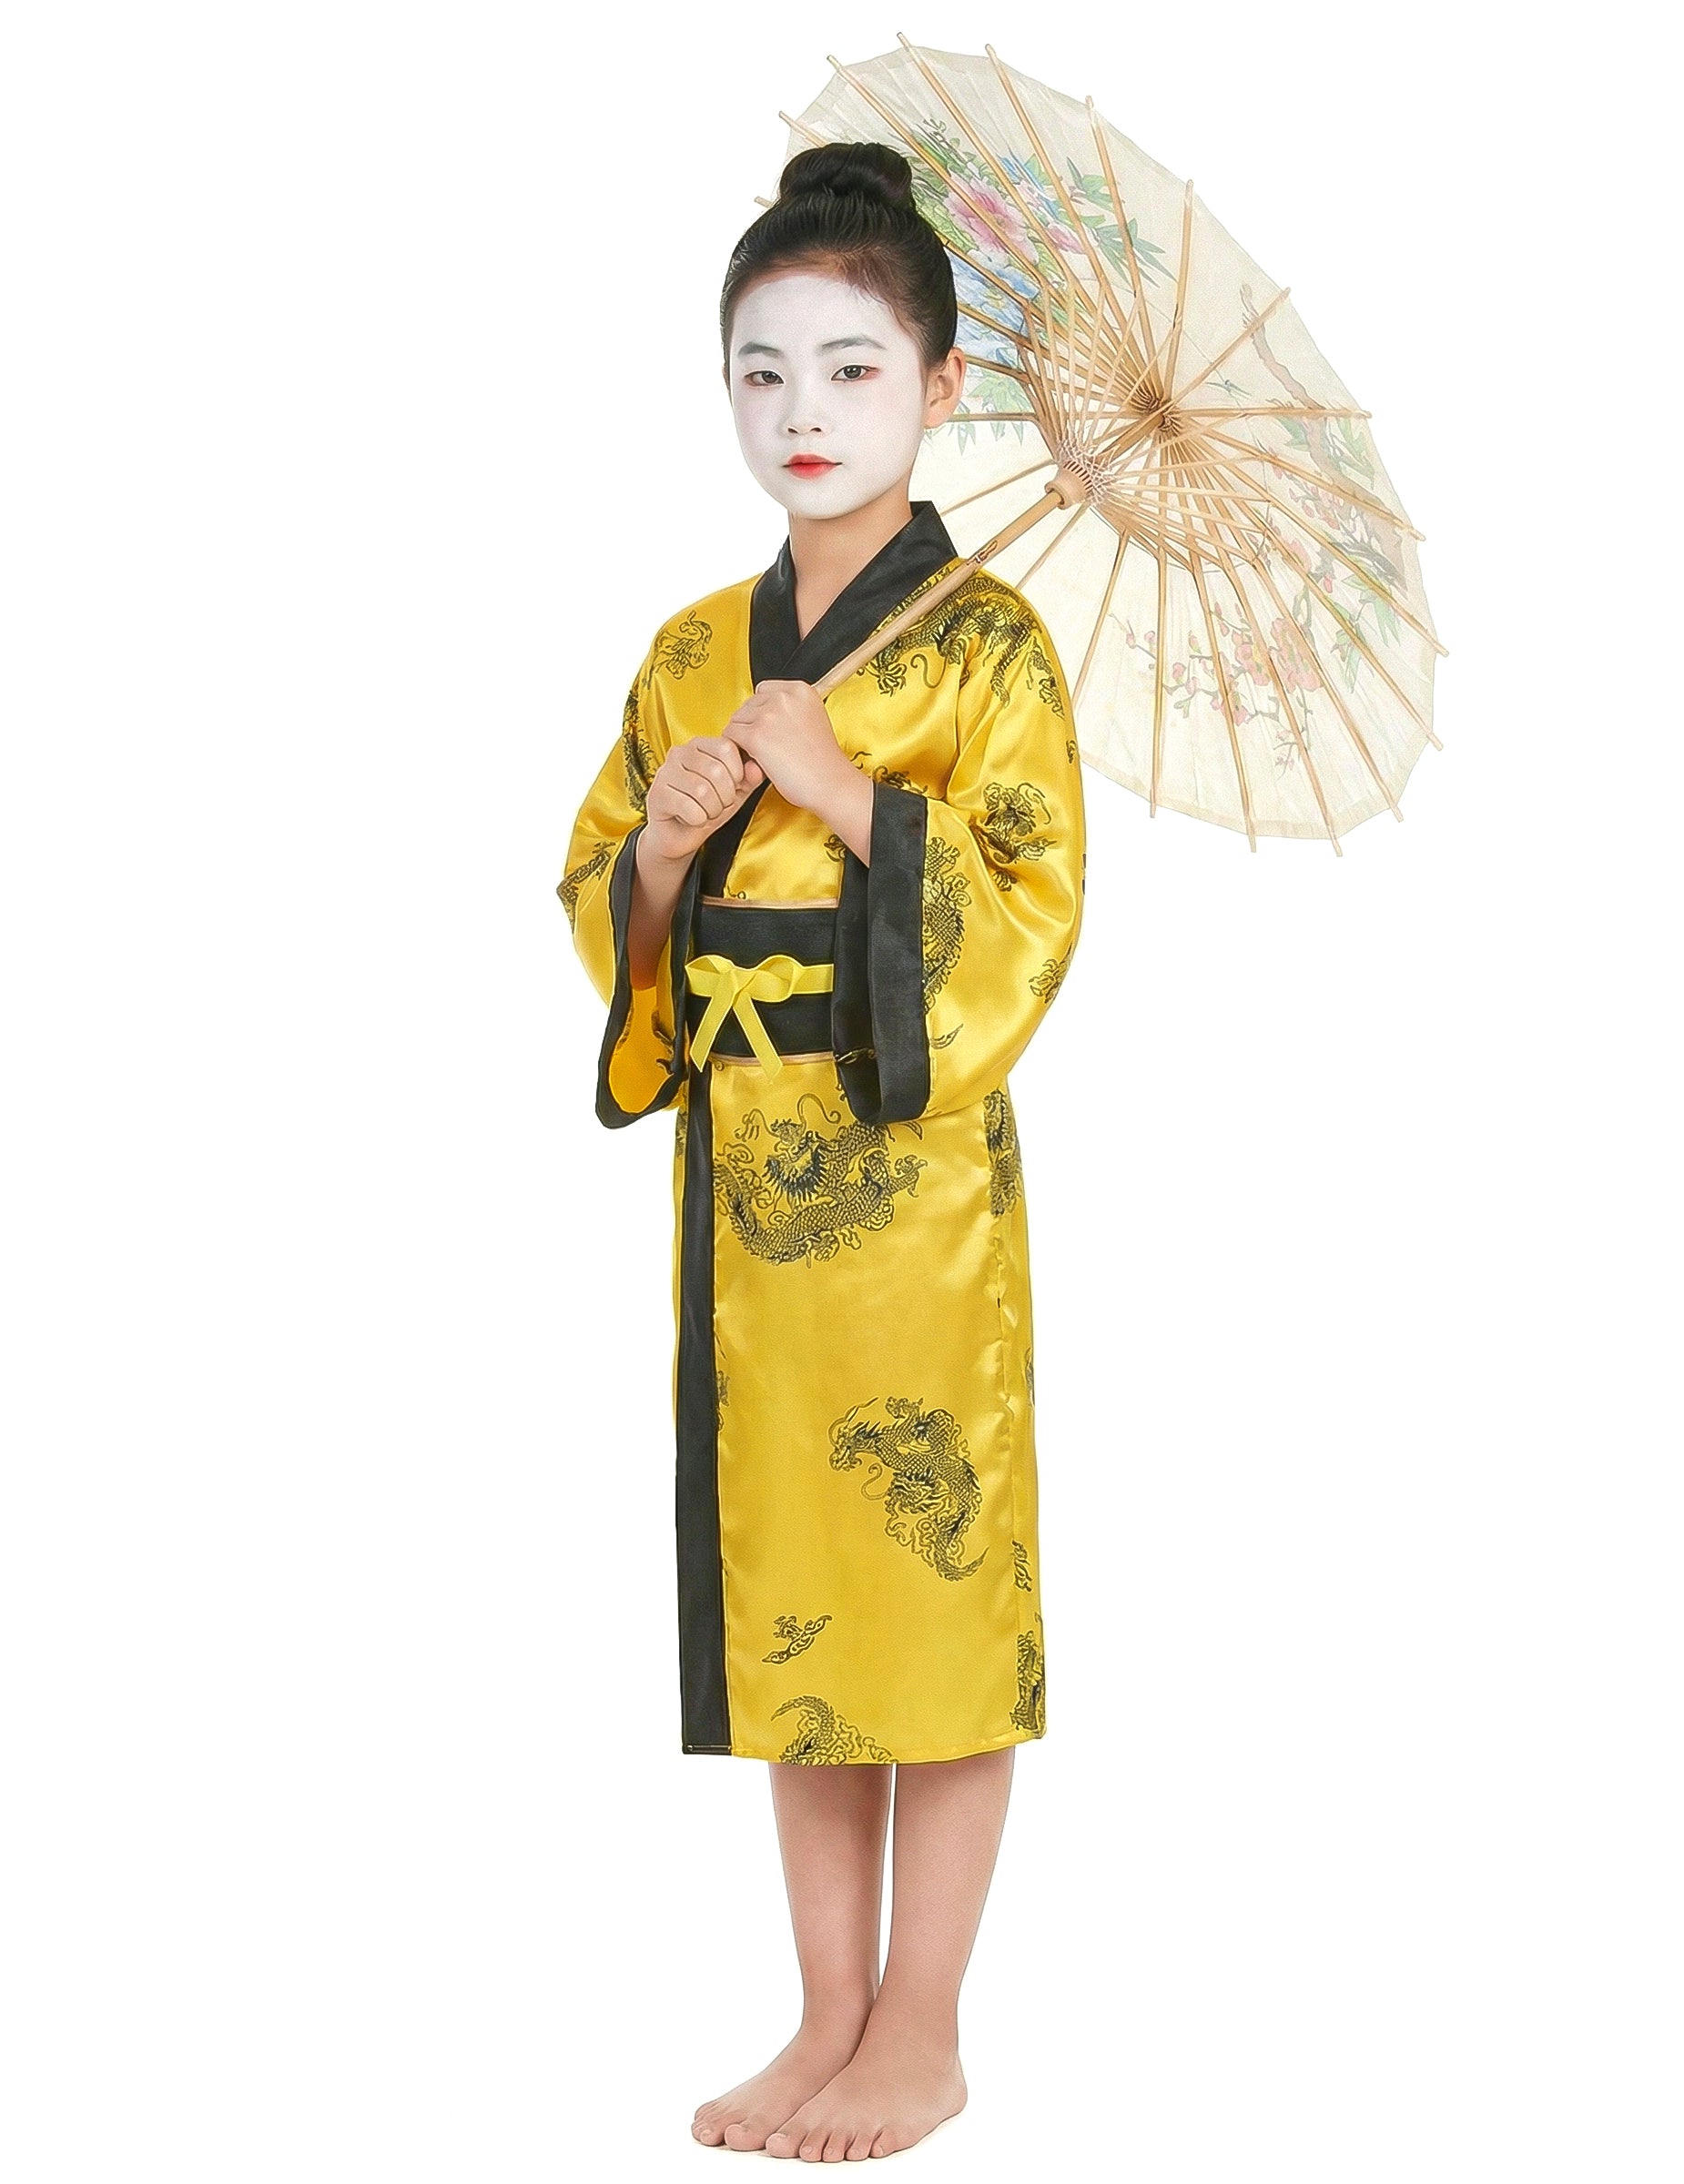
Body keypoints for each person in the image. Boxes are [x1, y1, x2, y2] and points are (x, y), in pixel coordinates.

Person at [558, 139, 1086, 2161]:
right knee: (792, 1594)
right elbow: (611, 900)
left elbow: (1029, 920)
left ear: (941, 386)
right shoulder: (697, 646)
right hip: (743, 1194)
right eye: (761, 369)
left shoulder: (988, 647)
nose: (803, 410)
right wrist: (665, 855)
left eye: (853, 370)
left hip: (909, 1191)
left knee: (926, 1593)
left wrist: (852, 793)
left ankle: (924, 2026)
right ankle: (824, 2013)